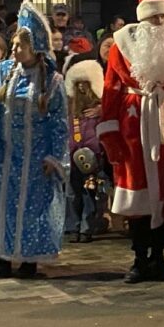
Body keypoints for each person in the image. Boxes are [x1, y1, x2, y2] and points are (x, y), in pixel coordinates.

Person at [98, 0, 164, 284]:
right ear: (143, 19)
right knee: (136, 196)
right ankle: (139, 258)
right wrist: (110, 134)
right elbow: (110, 91)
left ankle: (159, 257)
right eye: (154, 17)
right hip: (132, 128)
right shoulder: (120, 47)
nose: (159, 23)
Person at [0, 1, 69, 279]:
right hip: (6, 154)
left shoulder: (51, 80)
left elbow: (59, 123)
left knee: (33, 208)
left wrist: (54, 156)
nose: (15, 50)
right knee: (2, 204)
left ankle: (29, 260)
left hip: (36, 156)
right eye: (15, 45)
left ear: (36, 48)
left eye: (21, 46)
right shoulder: (1, 72)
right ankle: (2, 258)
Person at [65, 56, 106, 244]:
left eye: (85, 83)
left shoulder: (100, 109)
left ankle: (86, 228)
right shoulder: (70, 109)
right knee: (73, 194)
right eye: (78, 83)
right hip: (72, 157)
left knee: (90, 193)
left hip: (93, 158)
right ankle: (73, 227)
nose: (81, 87)